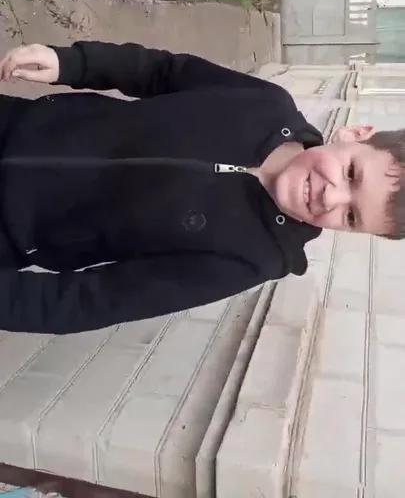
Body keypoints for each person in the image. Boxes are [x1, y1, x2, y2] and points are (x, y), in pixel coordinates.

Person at [0, 41, 403, 335]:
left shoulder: (253, 257)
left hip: (10, 231)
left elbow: (90, 301)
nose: (331, 197)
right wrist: (73, 62)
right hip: (17, 122)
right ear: (355, 133)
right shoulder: (265, 103)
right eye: (352, 174)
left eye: (351, 216)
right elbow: (161, 71)